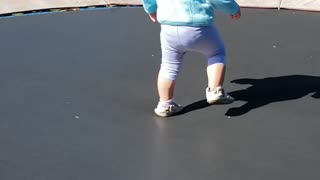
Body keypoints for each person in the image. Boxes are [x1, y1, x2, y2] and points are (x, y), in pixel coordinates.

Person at [141, 0, 241, 117]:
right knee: (216, 53)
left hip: (169, 28)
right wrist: (233, 9)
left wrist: (151, 9)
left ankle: (165, 104)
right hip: (199, 27)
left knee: (168, 66)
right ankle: (215, 90)